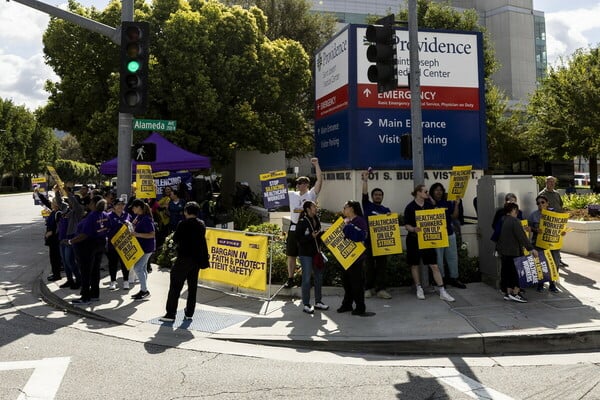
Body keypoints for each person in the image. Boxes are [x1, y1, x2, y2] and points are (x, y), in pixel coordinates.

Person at [403, 185, 455, 302]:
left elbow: (437, 217)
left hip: (427, 239)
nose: (428, 193)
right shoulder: (410, 207)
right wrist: (413, 229)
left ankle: (442, 290)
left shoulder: (429, 205)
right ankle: (418, 287)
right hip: (414, 239)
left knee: (434, 265)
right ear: (418, 193)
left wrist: (433, 204)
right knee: (414, 264)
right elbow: (406, 225)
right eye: (426, 191)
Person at [160, 201, 209, 322]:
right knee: (192, 288)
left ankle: (171, 314)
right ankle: (189, 313)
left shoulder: (183, 224)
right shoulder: (201, 224)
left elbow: (176, 239)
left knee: (175, 286)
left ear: (186, 211)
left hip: (184, 258)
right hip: (196, 260)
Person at [284, 158, 323, 288]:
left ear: (307, 184)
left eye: (302, 183)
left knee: (307, 255)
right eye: (298, 183)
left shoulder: (311, 195)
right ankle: (290, 278)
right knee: (291, 254)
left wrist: (316, 164)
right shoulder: (292, 194)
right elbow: (275, 192)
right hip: (294, 226)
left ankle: (308, 279)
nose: (300, 185)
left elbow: (319, 180)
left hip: (306, 228)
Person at [65, 195, 108, 305]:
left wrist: (71, 241)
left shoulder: (92, 216)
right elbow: (108, 228)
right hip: (100, 244)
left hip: (87, 246)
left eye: (90, 202)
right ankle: (94, 294)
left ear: (94, 204)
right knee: (95, 271)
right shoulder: (105, 215)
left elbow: (84, 234)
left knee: (85, 272)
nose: (88, 204)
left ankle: (85, 297)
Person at [496, 202, 538, 303]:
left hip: (504, 252)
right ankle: (516, 293)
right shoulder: (515, 221)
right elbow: (522, 237)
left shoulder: (502, 220)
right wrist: (531, 249)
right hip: (514, 252)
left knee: (506, 273)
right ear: (513, 210)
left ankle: (508, 293)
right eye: (516, 210)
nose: (517, 212)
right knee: (516, 274)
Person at [361, 170, 392, 299]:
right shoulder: (367, 205)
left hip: (382, 242)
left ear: (382, 197)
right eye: (376, 195)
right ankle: (368, 288)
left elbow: (390, 226)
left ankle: (381, 289)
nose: (378, 196)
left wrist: (390, 218)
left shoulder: (386, 210)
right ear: (372, 197)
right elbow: (364, 194)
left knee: (381, 267)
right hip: (369, 242)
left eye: (380, 195)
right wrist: (365, 180)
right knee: (368, 266)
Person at [428, 183, 467, 289]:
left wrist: (456, 205)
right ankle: (441, 280)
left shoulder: (447, 202)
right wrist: (433, 204)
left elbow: (454, 216)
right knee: (439, 259)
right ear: (432, 191)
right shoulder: (428, 203)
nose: (439, 192)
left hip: (449, 233)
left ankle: (454, 278)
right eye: (436, 190)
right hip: (437, 235)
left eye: (440, 190)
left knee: (452, 257)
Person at [296, 200, 329, 314]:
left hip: (316, 253)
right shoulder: (302, 222)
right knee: (306, 279)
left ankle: (318, 302)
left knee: (318, 277)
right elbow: (299, 239)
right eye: (314, 206)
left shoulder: (316, 219)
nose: (316, 208)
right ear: (308, 209)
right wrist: (311, 236)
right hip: (305, 254)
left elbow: (318, 236)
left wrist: (324, 233)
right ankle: (306, 304)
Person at [337, 200, 369, 315]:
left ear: (352, 208)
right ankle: (347, 304)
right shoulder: (344, 221)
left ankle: (360, 307)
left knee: (357, 284)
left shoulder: (360, 221)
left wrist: (349, 227)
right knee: (346, 283)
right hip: (345, 258)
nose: (343, 209)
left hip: (356, 258)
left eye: (345, 207)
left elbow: (361, 236)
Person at [528, 195, 563, 293]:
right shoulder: (533, 215)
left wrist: (563, 232)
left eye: (542, 202)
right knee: (540, 264)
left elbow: (561, 227)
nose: (540, 204)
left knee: (554, 263)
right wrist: (535, 229)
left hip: (553, 244)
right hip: (538, 243)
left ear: (547, 203)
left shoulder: (554, 214)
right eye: (538, 203)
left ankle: (552, 284)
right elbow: (528, 227)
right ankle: (540, 284)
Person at [129, 199, 156, 300]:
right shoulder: (139, 217)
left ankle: (144, 290)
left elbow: (152, 234)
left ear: (139, 207)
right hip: (142, 246)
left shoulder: (146, 219)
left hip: (146, 247)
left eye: (134, 207)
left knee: (138, 268)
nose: (132, 209)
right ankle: (143, 289)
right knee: (143, 268)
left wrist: (137, 234)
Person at [539, 176, 568, 267]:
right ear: (546, 183)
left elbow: (560, 205)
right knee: (549, 243)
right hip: (548, 222)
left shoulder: (556, 193)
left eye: (553, 182)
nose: (552, 184)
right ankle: (551, 261)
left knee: (558, 240)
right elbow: (540, 207)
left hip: (558, 222)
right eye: (550, 182)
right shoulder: (542, 194)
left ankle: (558, 259)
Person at [106, 196, 131, 290]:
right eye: (118, 205)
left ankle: (126, 281)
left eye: (122, 204)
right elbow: (106, 229)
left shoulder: (127, 215)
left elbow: (132, 227)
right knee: (113, 263)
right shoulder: (109, 216)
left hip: (124, 244)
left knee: (125, 263)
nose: (120, 206)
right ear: (114, 206)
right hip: (112, 244)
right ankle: (113, 281)